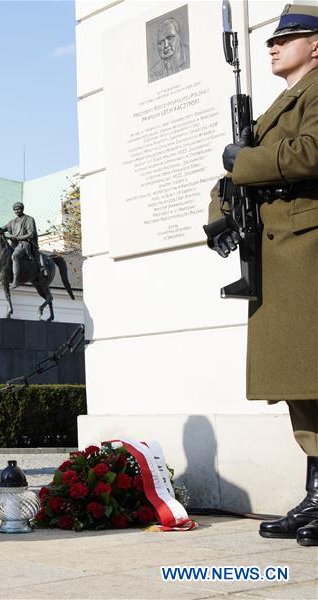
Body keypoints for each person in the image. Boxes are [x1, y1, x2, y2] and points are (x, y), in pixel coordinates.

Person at [207, 4, 318, 547]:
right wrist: (220, 216)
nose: (273, 46)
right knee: (300, 384)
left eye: (288, 38)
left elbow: (311, 153)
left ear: (316, 45)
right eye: (272, 40)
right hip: (279, 257)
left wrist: (242, 159)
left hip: (309, 252)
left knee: (315, 376)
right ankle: (317, 494)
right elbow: (231, 174)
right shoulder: (279, 105)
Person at [4, 200, 45, 285]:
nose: (16, 211)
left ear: (22, 209)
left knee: (15, 256)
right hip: (14, 244)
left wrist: (17, 237)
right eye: (15, 210)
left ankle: (16, 280)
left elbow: (31, 234)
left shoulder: (29, 219)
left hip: (24, 244)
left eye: (18, 209)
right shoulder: (12, 222)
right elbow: (2, 229)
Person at [147, 17, 189, 82]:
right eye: (161, 42)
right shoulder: (152, 73)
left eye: (170, 38)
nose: (166, 45)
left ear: (178, 37)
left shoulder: (191, 56)